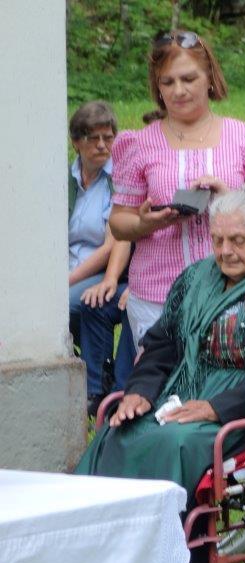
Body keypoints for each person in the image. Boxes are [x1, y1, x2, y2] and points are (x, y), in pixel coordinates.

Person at [76, 187, 245, 506]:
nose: (225, 251)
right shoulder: (194, 277)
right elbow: (162, 343)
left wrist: (216, 407)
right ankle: (105, 526)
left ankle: (166, 533)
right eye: (217, 240)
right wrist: (139, 391)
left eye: (238, 240)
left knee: (175, 441)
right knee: (118, 431)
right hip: (181, 392)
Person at [108, 30, 245, 350]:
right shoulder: (138, 144)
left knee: (226, 376)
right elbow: (119, 222)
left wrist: (231, 200)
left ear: (210, 77)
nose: (178, 90)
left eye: (189, 79)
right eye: (168, 82)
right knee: (161, 377)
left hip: (235, 290)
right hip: (157, 295)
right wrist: (147, 223)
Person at [66, 100, 135, 408]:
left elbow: (111, 246)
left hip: (101, 268)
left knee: (68, 303)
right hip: (68, 265)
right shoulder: (67, 180)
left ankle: (94, 379)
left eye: (108, 137)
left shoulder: (117, 179)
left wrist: (66, 280)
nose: (102, 145)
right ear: (76, 142)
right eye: (93, 138)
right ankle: (86, 374)